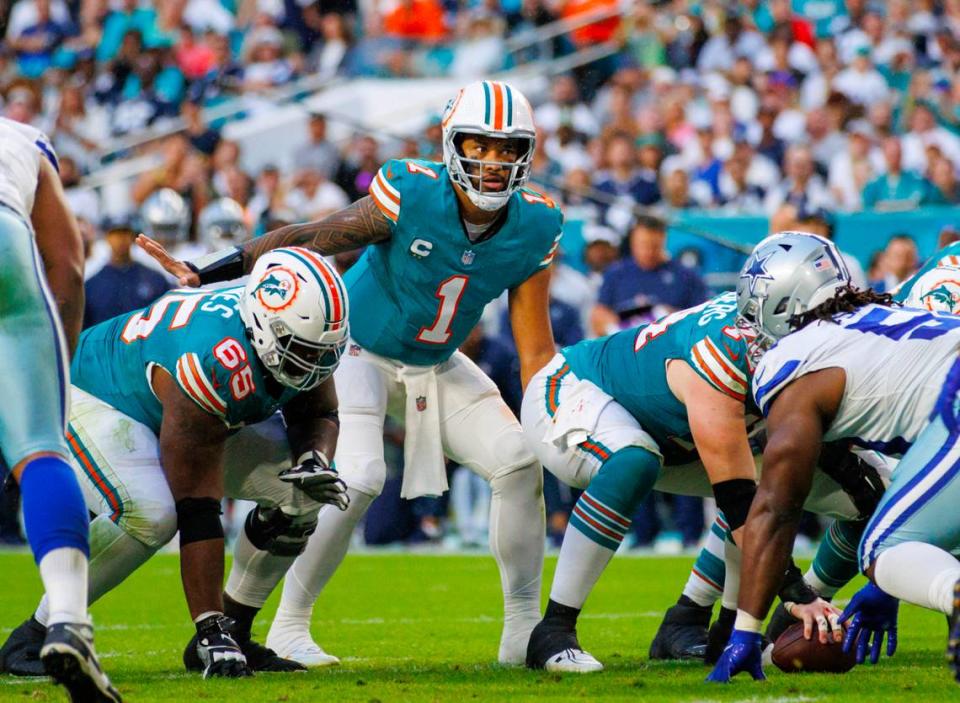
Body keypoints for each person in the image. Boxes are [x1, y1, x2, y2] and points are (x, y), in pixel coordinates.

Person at [136, 80, 561, 667]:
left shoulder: (538, 224)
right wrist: (213, 271)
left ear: (527, 153)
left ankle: (523, 634)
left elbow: (535, 343)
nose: (492, 162)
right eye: (479, 145)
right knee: (357, 475)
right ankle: (288, 626)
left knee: (518, 460)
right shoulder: (409, 191)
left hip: (434, 364)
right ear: (451, 143)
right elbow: (312, 238)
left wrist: (556, 409)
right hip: (356, 350)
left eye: (506, 148)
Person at [521, 233, 873, 672]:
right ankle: (553, 630)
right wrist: (798, 593)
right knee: (636, 460)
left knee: (772, 484)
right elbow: (740, 505)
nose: (829, 328)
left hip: (669, 432)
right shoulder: (720, 354)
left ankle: (707, 629)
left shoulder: (774, 338)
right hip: (572, 387)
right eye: (818, 316)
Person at [1, 248, 351, 680]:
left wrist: (314, 458)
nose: (313, 363)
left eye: (321, 351)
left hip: (173, 406)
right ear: (262, 327)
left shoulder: (297, 326)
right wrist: (207, 624)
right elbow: (198, 506)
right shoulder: (209, 359)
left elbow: (317, 411)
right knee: (153, 513)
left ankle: (237, 629)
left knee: (300, 491)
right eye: (301, 350)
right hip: (93, 394)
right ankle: (36, 634)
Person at [707, 244, 960, 683]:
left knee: (881, 547)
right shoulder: (885, 313)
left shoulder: (795, 363)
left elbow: (777, 505)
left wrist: (744, 633)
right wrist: (889, 587)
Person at [0, 117, 119, 700]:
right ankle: (70, 619)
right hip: (6, 243)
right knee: (42, 452)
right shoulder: (17, 137)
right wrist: (55, 376)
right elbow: (68, 267)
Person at [590, 215, 707, 336]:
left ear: (663, 240)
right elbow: (599, 315)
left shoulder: (686, 276)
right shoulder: (615, 273)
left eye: (654, 246)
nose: (647, 252)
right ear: (632, 241)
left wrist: (669, 317)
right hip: (625, 342)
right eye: (643, 245)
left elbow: (702, 319)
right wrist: (617, 326)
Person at [83, 215, 171, 328]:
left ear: (132, 236)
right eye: (115, 234)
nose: (121, 239)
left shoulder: (154, 278)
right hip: (107, 344)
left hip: (144, 343)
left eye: (125, 233)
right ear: (107, 237)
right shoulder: (92, 285)